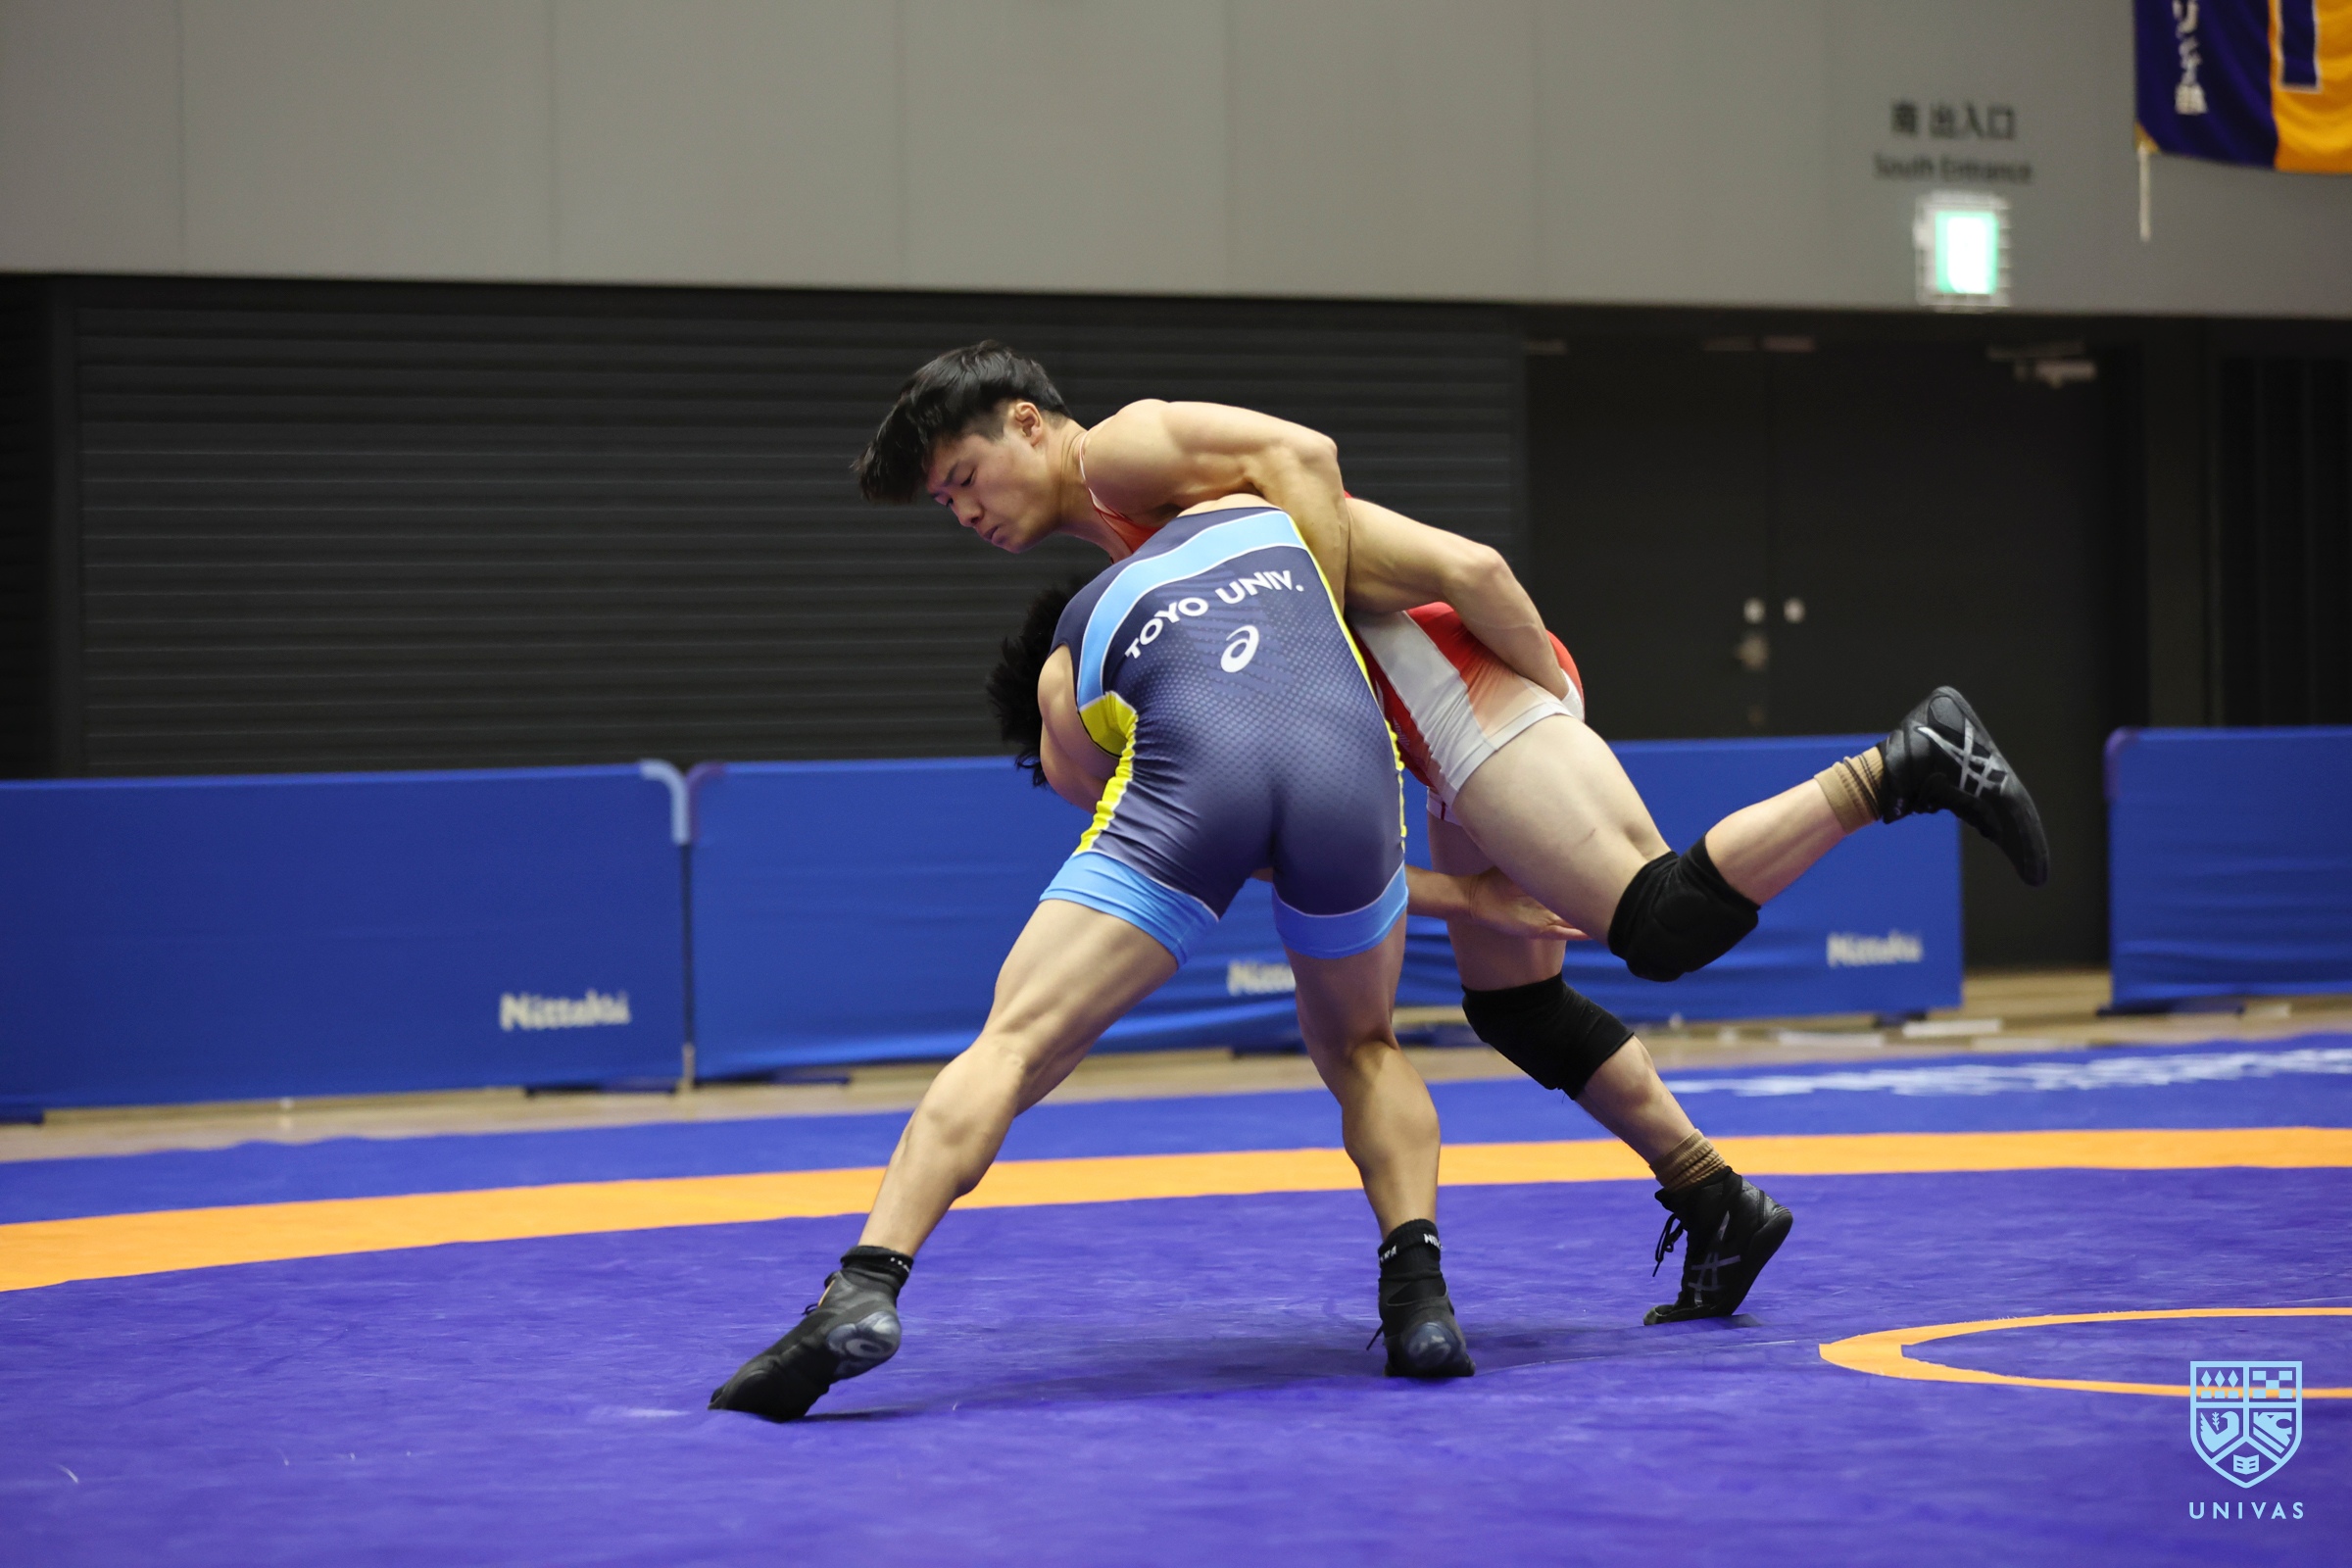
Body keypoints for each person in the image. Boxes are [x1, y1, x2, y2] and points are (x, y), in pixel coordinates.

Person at [853, 342, 2051, 1323]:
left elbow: (1384, 506)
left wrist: (1458, 686)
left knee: (1659, 921)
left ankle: (1903, 765)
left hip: (1460, 694)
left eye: (965, 476)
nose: (966, 511)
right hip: (1411, 736)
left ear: (1028, 423)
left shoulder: (1125, 453)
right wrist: (1455, 871)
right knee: (1515, 1002)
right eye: (946, 504)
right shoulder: (1151, 536)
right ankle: (1715, 1198)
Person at [710, 493, 1561, 1422]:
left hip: (1203, 777)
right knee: (1363, 1046)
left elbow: (1217, 825)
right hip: (1351, 756)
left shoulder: (1069, 665)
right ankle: (1420, 1301)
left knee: (1016, 1041)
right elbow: (1291, 828)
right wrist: (1471, 892)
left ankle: (864, 1286)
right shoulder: (1257, 508)